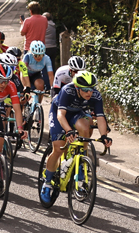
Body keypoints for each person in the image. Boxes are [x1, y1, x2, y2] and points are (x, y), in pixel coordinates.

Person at [42, 71, 114, 202]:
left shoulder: (96, 96)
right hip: (59, 113)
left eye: (91, 89)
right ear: (77, 88)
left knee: (85, 128)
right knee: (59, 149)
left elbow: (100, 117)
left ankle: (79, 159)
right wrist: (69, 131)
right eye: (85, 90)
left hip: (76, 113)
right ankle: (47, 183)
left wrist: (104, 136)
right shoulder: (67, 90)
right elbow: (60, 115)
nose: (89, 93)